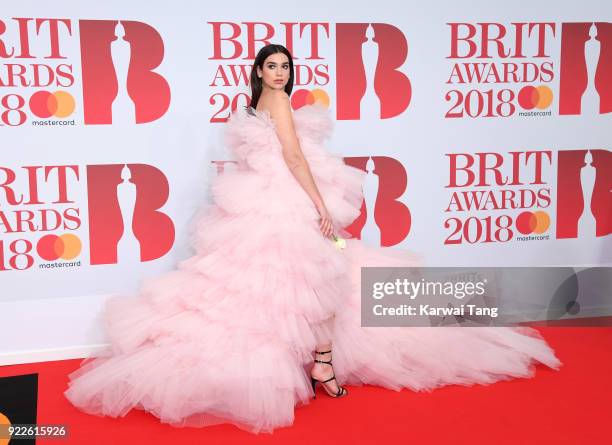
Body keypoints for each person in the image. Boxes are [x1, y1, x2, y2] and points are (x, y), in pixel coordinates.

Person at [64, 44, 562, 434]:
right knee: (318, 281)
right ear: (259, 71)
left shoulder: (255, 105)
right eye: (272, 66)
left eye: (285, 66)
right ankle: (321, 367)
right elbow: (295, 158)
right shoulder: (277, 102)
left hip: (258, 203)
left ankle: (316, 364)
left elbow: (262, 158)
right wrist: (322, 207)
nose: (279, 73)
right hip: (288, 204)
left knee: (295, 283)